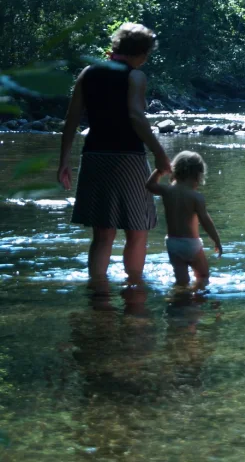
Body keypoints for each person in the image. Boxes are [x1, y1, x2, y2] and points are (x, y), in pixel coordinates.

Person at [57, 22, 171, 288]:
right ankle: (134, 288)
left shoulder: (88, 73)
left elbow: (71, 119)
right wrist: (159, 153)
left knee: (103, 233)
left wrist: (64, 161)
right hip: (127, 156)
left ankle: (97, 290)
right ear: (140, 52)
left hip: (94, 154)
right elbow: (135, 116)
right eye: (147, 55)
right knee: (138, 229)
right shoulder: (135, 76)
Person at [146, 151, 223, 289]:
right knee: (203, 276)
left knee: (181, 281)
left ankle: (178, 301)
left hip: (172, 243)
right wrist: (216, 240)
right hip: (191, 244)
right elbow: (206, 222)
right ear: (198, 175)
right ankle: (196, 303)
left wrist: (160, 170)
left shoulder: (167, 191)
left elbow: (149, 185)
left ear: (174, 171)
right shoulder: (196, 197)